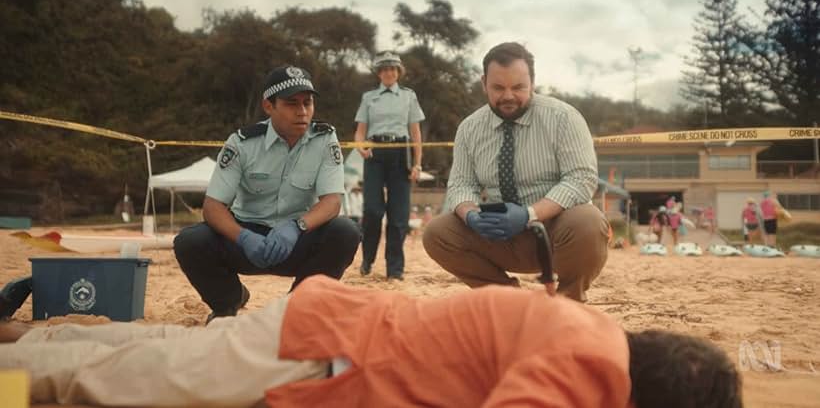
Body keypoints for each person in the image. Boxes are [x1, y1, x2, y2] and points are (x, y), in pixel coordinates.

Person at [0, 275, 743, 408]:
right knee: (105, 382)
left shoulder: (598, 334)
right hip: (315, 352)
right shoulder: (593, 368)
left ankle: (33, 333)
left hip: (320, 332)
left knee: (152, 348)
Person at [173, 65, 361, 322]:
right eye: (291, 103)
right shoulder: (242, 143)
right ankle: (228, 302)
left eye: (308, 103)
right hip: (246, 238)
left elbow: (332, 202)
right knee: (190, 241)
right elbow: (213, 206)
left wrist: (297, 226)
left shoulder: (325, 139)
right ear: (268, 106)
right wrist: (243, 237)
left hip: (297, 237)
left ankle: (297, 309)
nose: (303, 111)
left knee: (345, 232)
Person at [423, 42, 608, 302]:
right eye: (498, 87)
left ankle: (569, 302)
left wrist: (528, 214)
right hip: (499, 234)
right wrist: (471, 215)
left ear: (532, 82)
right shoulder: (469, 129)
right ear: (483, 83)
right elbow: (460, 185)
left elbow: (581, 180)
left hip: (556, 230)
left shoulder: (564, 118)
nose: (508, 96)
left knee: (589, 222)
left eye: (518, 87)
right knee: (437, 233)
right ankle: (510, 300)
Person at [354, 51, 425, 280]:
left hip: (400, 153)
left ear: (398, 72)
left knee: (399, 216)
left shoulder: (408, 96)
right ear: (379, 73)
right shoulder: (368, 97)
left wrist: (417, 164)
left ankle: (395, 269)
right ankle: (367, 260)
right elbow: (360, 131)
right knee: (373, 211)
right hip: (375, 153)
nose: (388, 73)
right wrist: (360, 146)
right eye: (384, 69)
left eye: (392, 69)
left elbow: (415, 133)